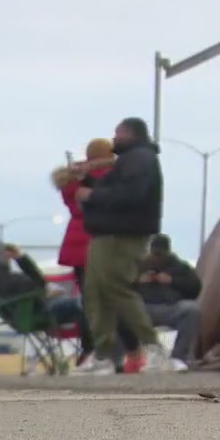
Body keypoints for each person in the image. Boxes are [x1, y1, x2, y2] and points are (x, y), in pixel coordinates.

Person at [75, 117, 171, 374]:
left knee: (117, 289)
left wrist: (92, 194)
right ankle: (103, 354)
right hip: (107, 234)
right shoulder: (130, 161)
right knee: (96, 292)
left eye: (117, 134)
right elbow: (117, 189)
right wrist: (88, 182)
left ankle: (153, 346)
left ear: (130, 134)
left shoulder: (140, 159)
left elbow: (131, 195)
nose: (114, 139)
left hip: (123, 235)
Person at [51, 138, 140, 368]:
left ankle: (92, 351)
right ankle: (130, 350)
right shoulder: (113, 178)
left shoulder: (74, 181)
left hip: (78, 247)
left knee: (88, 303)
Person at [135, 234, 201, 371]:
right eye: (155, 254)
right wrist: (138, 281)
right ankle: (126, 357)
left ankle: (178, 357)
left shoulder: (180, 267)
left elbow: (196, 287)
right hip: (142, 309)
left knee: (192, 309)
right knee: (120, 309)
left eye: (161, 254)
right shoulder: (138, 266)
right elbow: (121, 288)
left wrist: (172, 281)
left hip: (171, 308)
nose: (157, 258)